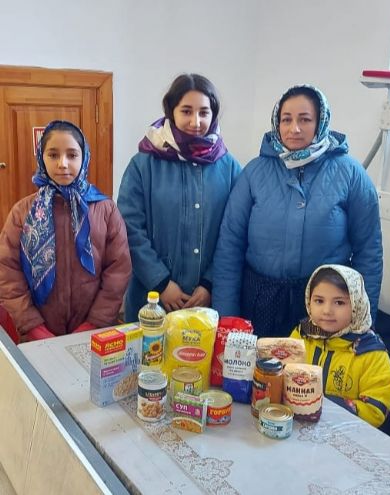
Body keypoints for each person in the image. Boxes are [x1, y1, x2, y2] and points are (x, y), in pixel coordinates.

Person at [212, 84, 382, 337]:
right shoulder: (254, 173)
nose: (294, 128)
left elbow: (368, 252)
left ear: (320, 122)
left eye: (305, 119)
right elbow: (229, 247)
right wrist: (226, 320)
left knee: (314, 364)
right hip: (259, 301)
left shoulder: (351, 174)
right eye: (286, 119)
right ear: (276, 123)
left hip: (324, 307)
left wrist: (361, 323)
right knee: (260, 363)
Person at [118, 73, 241, 322]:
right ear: (171, 111)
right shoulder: (143, 164)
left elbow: (235, 233)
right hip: (151, 299)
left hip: (206, 303)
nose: (196, 121)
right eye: (186, 111)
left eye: (204, 112)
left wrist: (209, 283)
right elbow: (129, 229)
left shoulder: (229, 167)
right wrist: (161, 283)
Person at [0, 120, 132, 342]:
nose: (62, 163)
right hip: (37, 335)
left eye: (72, 155)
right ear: (41, 157)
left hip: (93, 333)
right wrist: (32, 326)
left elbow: (118, 269)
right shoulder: (23, 212)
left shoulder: (105, 210)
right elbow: (7, 272)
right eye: (53, 155)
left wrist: (95, 322)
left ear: (84, 157)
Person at [290, 264, 390, 428]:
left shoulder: (371, 352)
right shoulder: (302, 334)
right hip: (296, 426)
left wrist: (324, 407)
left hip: (346, 433)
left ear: (356, 305)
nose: (327, 310)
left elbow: (375, 409)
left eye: (339, 302)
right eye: (319, 301)